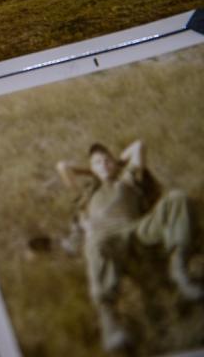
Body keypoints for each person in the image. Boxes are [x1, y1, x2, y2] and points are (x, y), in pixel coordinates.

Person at [56, 140, 203, 351]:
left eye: (108, 161)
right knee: (94, 241)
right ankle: (110, 323)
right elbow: (62, 167)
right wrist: (93, 169)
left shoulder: (128, 179)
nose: (104, 165)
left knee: (177, 198)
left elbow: (139, 146)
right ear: (92, 170)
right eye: (98, 163)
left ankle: (180, 271)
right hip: (107, 238)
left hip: (138, 231)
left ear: (116, 164)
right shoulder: (86, 194)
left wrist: (114, 163)